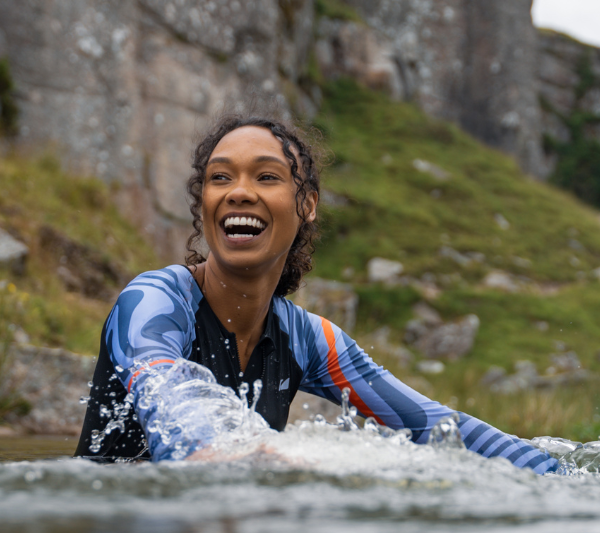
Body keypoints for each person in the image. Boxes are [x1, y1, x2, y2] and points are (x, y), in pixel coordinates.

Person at [75, 115, 557, 474]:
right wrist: (231, 454)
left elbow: (437, 427)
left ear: (306, 205)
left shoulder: (307, 339)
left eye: (265, 177)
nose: (238, 192)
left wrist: (559, 474)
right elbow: (166, 397)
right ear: (203, 205)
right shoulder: (152, 301)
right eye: (220, 178)